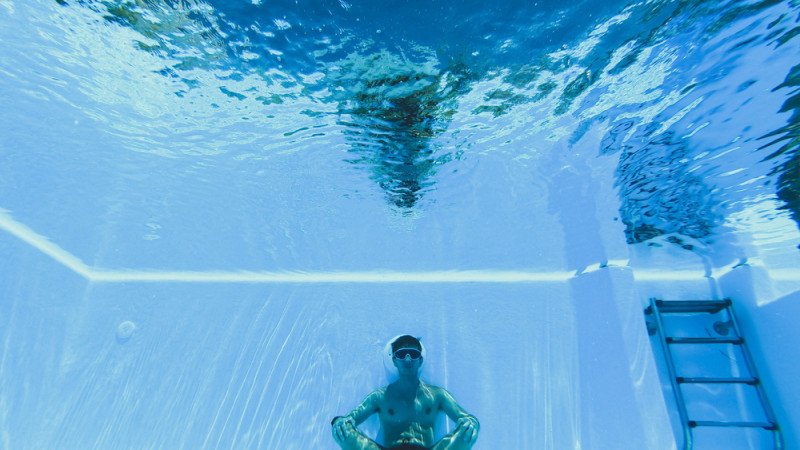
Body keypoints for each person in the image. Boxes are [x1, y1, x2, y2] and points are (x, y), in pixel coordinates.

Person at [331, 335, 479, 450]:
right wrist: (340, 422)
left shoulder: (437, 395)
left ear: (420, 360)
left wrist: (472, 423)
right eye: (402, 354)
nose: (408, 359)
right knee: (342, 429)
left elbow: (465, 417)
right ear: (394, 361)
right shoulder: (379, 397)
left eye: (413, 354)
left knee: (468, 430)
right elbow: (350, 419)